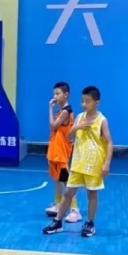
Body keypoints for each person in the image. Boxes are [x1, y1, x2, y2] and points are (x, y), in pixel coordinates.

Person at [42, 86, 113, 238]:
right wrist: (76, 128)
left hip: (93, 164)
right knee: (68, 193)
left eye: (87, 101)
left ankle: (90, 223)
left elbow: (109, 142)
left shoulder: (102, 121)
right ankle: (58, 221)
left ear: (96, 102)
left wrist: (107, 163)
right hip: (77, 163)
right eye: (82, 101)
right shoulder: (79, 117)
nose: (84, 104)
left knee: (91, 194)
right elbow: (68, 137)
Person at [44, 81, 81, 223]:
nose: (55, 96)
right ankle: (58, 204)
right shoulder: (60, 111)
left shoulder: (66, 111)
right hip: (55, 150)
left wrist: (49, 108)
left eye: (58, 93)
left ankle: (75, 210)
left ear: (66, 94)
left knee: (67, 181)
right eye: (54, 93)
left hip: (62, 152)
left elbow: (53, 126)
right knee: (57, 179)